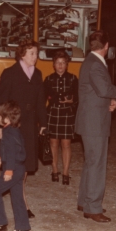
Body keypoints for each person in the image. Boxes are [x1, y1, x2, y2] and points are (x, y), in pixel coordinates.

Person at [0, 39, 47, 218]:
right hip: (14, 125)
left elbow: (41, 101)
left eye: (36, 53)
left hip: (30, 126)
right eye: (32, 53)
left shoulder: (38, 74)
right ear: (22, 54)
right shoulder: (10, 73)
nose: (36, 56)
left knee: (24, 167)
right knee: (15, 165)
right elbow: (2, 101)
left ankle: (20, 202)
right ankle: (21, 204)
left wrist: (44, 123)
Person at [75, 30, 116, 223]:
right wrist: (115, 92)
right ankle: (93, 207)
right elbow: (103, 89)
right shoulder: (95, 65)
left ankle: (85, 201)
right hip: (94, 123)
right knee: (97, 163)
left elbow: (96, 92)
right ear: (106, 46)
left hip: (92, 119)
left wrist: (109, 100)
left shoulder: (91, 62)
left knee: (91, 162)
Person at [0, 101, 30, 231]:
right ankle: (23, 227)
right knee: (17, 199)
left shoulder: (7, 133)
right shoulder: (15, 130)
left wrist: (8, 171)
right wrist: (1, 158)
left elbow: (11, 153)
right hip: (19, 168)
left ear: (6, 118)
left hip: (13, 169)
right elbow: (13, 150)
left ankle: (0, 223)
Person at [43, 50, 78, 185]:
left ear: (67, 64)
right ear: (54, 65)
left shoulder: (73, 78)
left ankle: (66, 173)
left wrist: (71, 100)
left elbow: (77, 96)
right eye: (58, 63)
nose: (60, 66)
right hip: (52, 113)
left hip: (67, 114)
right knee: (53, 143)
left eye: (63, 63)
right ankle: (55, 170)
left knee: (66, 144)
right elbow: (45, 96)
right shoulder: (49, 79)